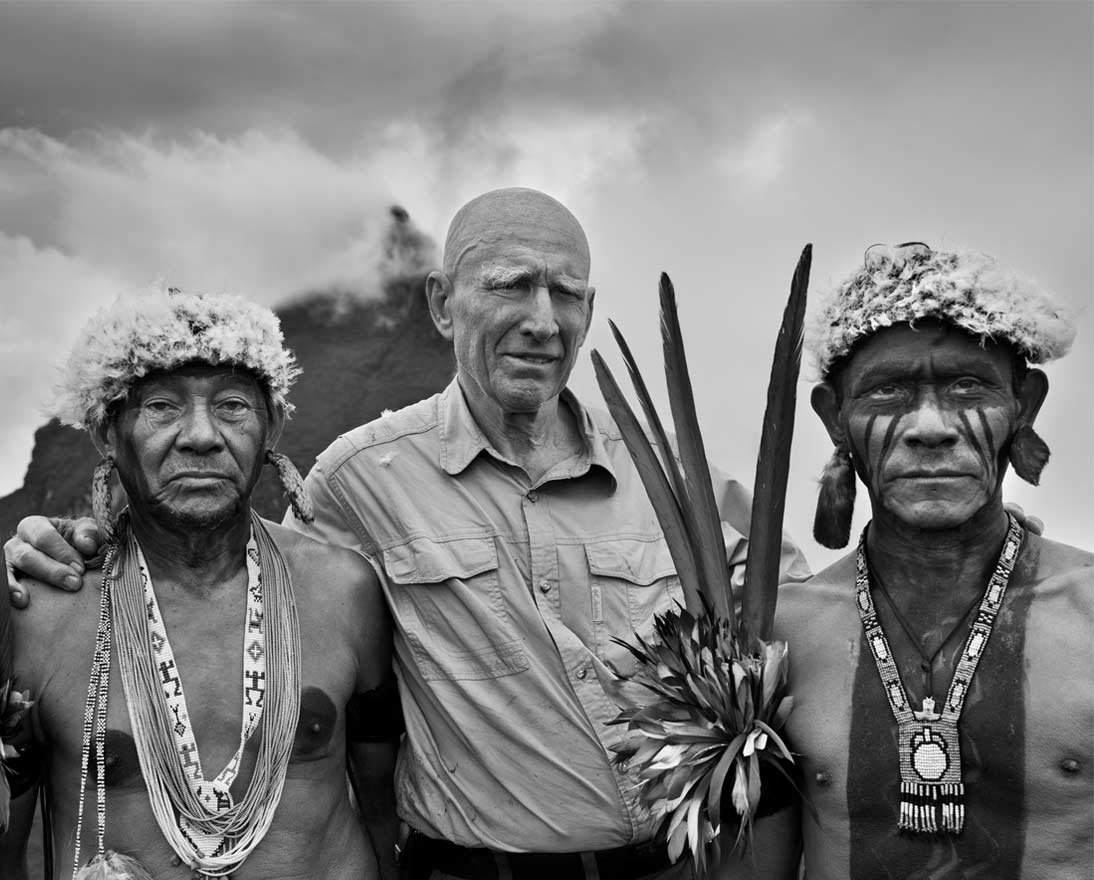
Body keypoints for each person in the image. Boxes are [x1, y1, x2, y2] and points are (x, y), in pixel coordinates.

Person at [6, 188, 811, 879]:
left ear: (591, 311)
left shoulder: (674, 480)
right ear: (440, 303)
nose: (542, 319)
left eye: (567, 294)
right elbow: (217, 573)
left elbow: (785, 642)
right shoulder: (361, 480)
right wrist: (67, 539)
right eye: (510, 286)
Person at [0, 288, 399, 879]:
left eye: (233, 405)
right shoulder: (41, 607)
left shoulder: (344, 591)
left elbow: (383, 808)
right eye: (162, 406)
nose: (201, 436)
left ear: (273, 428)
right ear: (107, 432)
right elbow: (7, 841)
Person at [729, 244, 1092, 879]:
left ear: (1025, 404)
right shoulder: (776, 637)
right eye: (888, 390)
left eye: (967, 385)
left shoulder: (1088, 614)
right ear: (835, 417)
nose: (931, 426)